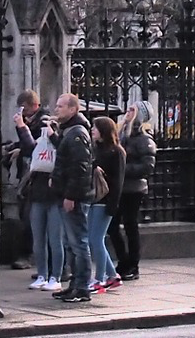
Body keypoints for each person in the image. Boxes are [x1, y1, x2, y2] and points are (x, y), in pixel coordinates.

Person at [48, 93, 95, 303]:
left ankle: (82, 286)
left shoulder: (77, 133)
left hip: (73, 197)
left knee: (78, 243)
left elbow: (80, 169)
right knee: (70, 242)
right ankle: (74, 284)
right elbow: (67, 161)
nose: (56, 109)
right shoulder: (70, 132)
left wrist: (70, 195)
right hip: (66, 193)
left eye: (60, 106)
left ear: (73, 109)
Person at [14, 91, 61, 293]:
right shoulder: (38, 129)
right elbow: (31, 148)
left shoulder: (48, 127)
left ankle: (56, 275)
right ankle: (42, 273)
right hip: (37, 189)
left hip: (52, 191)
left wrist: (23, 128)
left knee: (54, 236)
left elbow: (34, 149)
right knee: (38, 234)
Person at [110, 101, 155, 281]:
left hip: (133, 189)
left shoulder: (144, 139)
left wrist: (122, 169)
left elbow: (147, 166)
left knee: (130, 225)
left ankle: (133, 265)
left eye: (132, 110)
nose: (128, 112)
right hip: (119, 187)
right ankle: (123, 260)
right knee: (112, 226)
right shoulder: (122, 133)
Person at [6, 90, 48, 270]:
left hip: (37, 175)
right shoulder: (30, 121)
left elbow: (35, 147)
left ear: (33, 106)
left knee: (31, 218)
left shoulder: (44, 122)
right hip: (28, 174)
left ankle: (29, 255)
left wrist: (22, 128)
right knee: (26, 214)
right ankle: (32, 255)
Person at [87, 116, 125, 293]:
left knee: (96, 239)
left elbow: (117, 181)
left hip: (105, 200)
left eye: (95, 128)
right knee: (94, 239)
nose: (92, 130)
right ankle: (112, 275)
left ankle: (99, 279)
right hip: (95, 199)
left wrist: (113, 205)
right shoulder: (97, 149)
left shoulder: (116, 152)